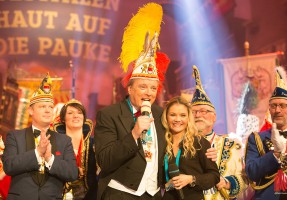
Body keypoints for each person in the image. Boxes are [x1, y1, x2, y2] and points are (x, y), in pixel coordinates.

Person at [94, 3, 170, 199]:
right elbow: (105, 159)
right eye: (143, 87)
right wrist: (134, 133)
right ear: (129, 89)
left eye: (153, 88)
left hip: (153, 194)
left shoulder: (161, 114)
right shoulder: (109, 115)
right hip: (120, 193)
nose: (149, 93)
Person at [2, 73, 78, 199]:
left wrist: (50, 158)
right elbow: (9, 166)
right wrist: (37, 153)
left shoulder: (64, 140)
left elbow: (72, 173)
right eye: (42, 106)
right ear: (31, 111)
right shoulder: (15, 136)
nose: (48, 110)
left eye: (50, 107)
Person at [191, 65, 246, 199]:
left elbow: (244, 178)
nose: (198, 115)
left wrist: (227, 183)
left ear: (214, 117)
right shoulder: (181, 145)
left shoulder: (232, 145)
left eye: (203, 111)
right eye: (193, 112)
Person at [245, 67, 287, 199]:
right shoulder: (257, 138)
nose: (277, 110)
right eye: (273, 105)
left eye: (282, 105)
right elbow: (251, 172)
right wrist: (275, 154)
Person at [162, 96, 220, 200]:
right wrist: (168, 185)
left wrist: (191, 179)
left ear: (189, 118)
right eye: (173, 115)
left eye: (183, 115)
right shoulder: (162, 143)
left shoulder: (199, 143)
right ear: (166, 117)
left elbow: (214, 176)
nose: (178, 119)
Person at [53, 99, 98, 200]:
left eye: (79, 112)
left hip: (89, 195)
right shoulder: (54, 144)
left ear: (84, 117)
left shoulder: (94, 144)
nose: (76, 116)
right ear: (63, 119)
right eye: (70, 113)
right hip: (58, 194)